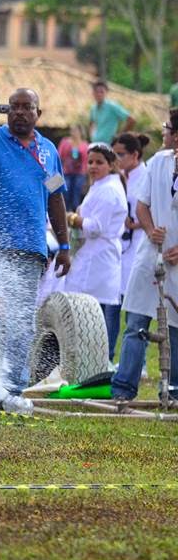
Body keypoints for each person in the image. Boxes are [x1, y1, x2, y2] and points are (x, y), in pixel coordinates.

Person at [0, 89, 71, 403]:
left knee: (19, 321)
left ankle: (11, 388)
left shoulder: (48, 151)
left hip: (28, 248)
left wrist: (64, 244)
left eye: (26, 107)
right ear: (7, 111)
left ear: (38, 113)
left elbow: (56, 198)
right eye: (14, 107)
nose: (19, 112)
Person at [112, 109, 178, 403]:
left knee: (176, 328)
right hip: (150, 255)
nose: (162, 132)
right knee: (136, 323)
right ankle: (123, 389)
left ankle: (174, 389)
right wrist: (150, 230)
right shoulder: (159, 163)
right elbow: (142, 205)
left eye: (166, 128)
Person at [63, 143, 128, 359]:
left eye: (99, 162)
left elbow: (95, 227)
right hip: (93, 254)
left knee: (94, 312)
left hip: (99, 256)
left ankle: (99, 360)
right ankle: (88, 358)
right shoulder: (99, 185)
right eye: (90, 162)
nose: (93, 166)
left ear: (110, 165)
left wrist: (71, 218)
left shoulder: (109, 189)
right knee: (87, 311)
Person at [108, 132, 151, 358]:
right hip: (119, 249)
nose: (116, 159)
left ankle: (139, 361)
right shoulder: (118, 176)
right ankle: (109, 356)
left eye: (120, 154)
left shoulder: (146, 175)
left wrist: (133, 222)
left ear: (135, 155)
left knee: (135, 309)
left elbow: (150, 210)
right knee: (113, 304)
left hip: (139, 247)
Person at [89, 80, 135, 145]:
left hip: (109, 145)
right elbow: (91, 123)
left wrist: (119, 136)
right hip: (96, 144)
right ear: (93, 93)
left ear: (106, 93)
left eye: (101, 92)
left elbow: (131, 120)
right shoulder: (93, 108)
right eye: (96, 91)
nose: (99, 94)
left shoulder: (112, 106)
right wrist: (92, 136)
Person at [57, 125, 89, 211]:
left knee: (76, 194)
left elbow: (86, 161)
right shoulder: (65, 142)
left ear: (80, 132)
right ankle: (66, 212)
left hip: (80, 173)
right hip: (66, 171)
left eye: (76, 130)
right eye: (72, 130)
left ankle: (75, 214)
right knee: (65, 191)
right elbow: (59, 156)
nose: (73, 132)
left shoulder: (85, 145)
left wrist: (87, 177)